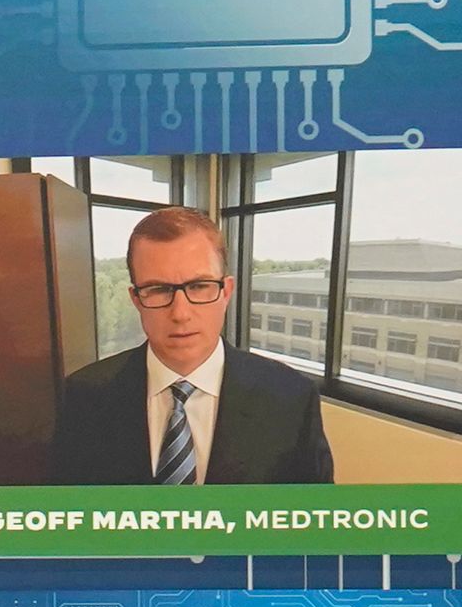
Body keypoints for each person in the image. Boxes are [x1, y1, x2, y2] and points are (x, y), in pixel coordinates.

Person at [46, 205, 333, 485]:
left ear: (226, 292)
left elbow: (314, 523)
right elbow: (71, 518)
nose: (180, 314)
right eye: (158, 289)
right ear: (136, 299)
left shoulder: (292, 399)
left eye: (199, 286)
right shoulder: (84, 396)